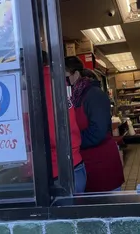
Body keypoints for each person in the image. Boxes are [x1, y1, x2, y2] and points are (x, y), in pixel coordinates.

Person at [65, 56, 124, 192]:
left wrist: (71, 141)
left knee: (107, 208)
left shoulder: (94, 95)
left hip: (102, 164)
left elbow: (98, 132)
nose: (64, 82)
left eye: (66, 77)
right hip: (85, 164)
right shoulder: (74, 96)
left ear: (76, 74)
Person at [43, 52, 86, 193]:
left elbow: (54, 134)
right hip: (73, 163)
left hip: (57, 169)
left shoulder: (41, 83)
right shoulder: (59, 82)